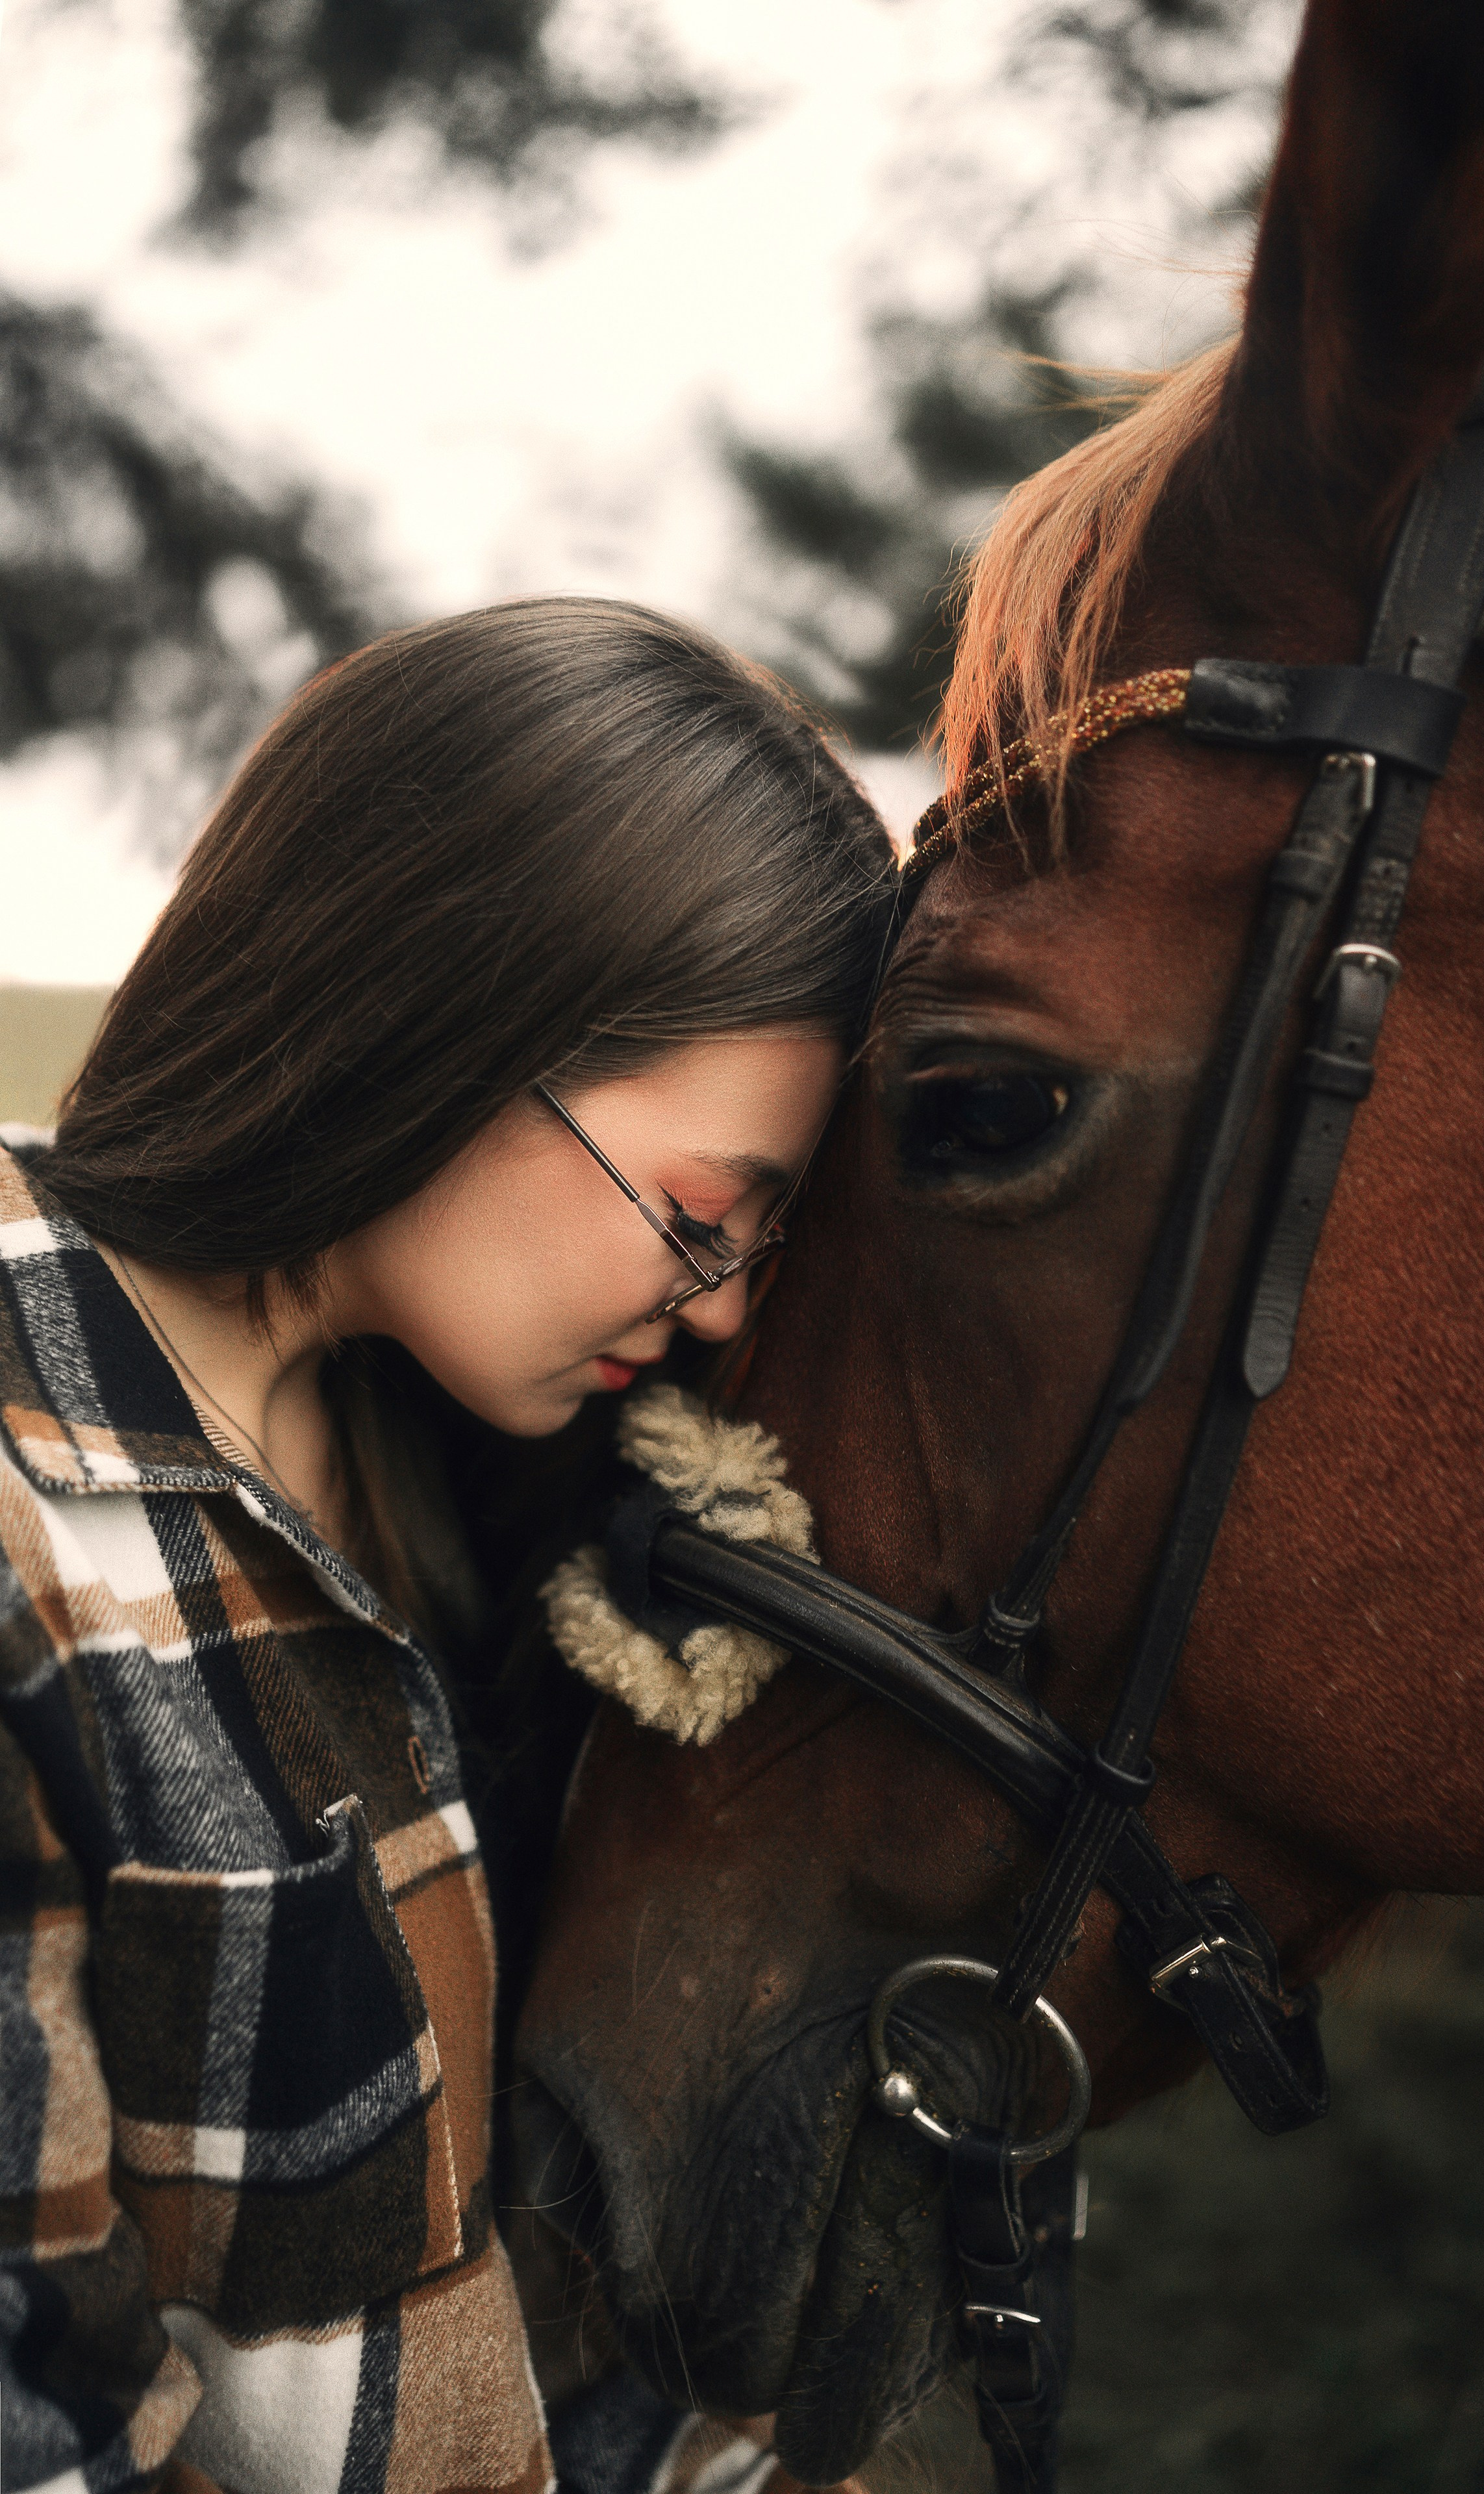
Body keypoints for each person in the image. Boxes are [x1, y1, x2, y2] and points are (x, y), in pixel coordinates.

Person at [0, 597, 896, 2494]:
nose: (723, 1307)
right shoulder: (33, 1543)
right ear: (450, 1022)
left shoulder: (465, 1473)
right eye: (699, 1214)